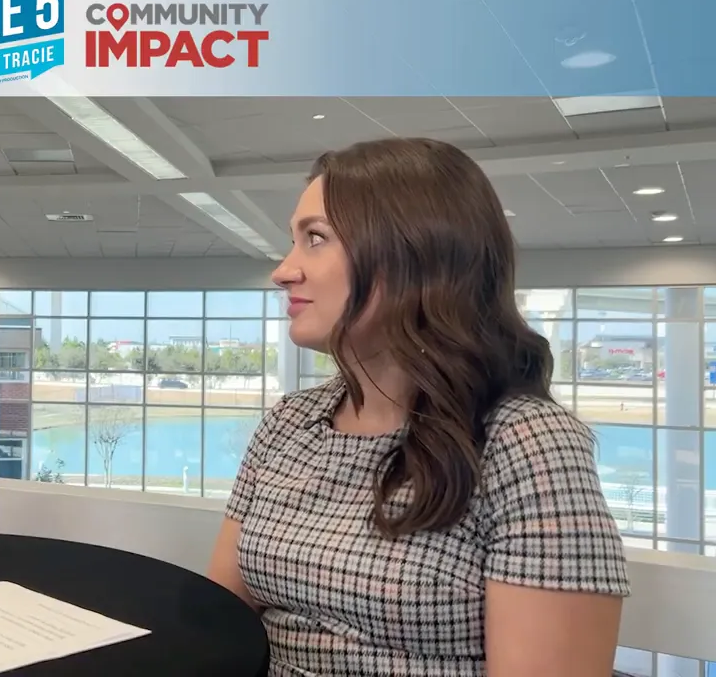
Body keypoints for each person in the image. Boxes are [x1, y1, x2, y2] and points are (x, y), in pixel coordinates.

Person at [207, 138, 629, 676]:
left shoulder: (526, 442)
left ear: (412, 255)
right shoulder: (289, 423)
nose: (283, 270)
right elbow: (221, 618)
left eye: (315, 239)